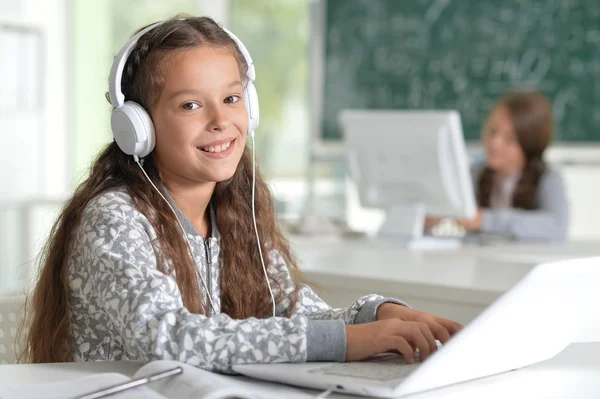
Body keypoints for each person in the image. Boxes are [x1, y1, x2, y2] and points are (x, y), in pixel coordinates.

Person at [22, 16, 461, 371]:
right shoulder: (115, 219)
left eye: (231, 98)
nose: (220, 120)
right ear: (139, 127)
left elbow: (290, 311)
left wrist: (376, 315)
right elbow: (169, 338)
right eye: (190, 105)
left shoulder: (237, 209)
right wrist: (346, 342)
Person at [428, 91, 569, 242]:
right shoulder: (474, 174)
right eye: (492, 131)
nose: (494, 143)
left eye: (510, 139)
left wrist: (484, 220)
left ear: (530, 144)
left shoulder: (548, 179)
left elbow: (556, 227)